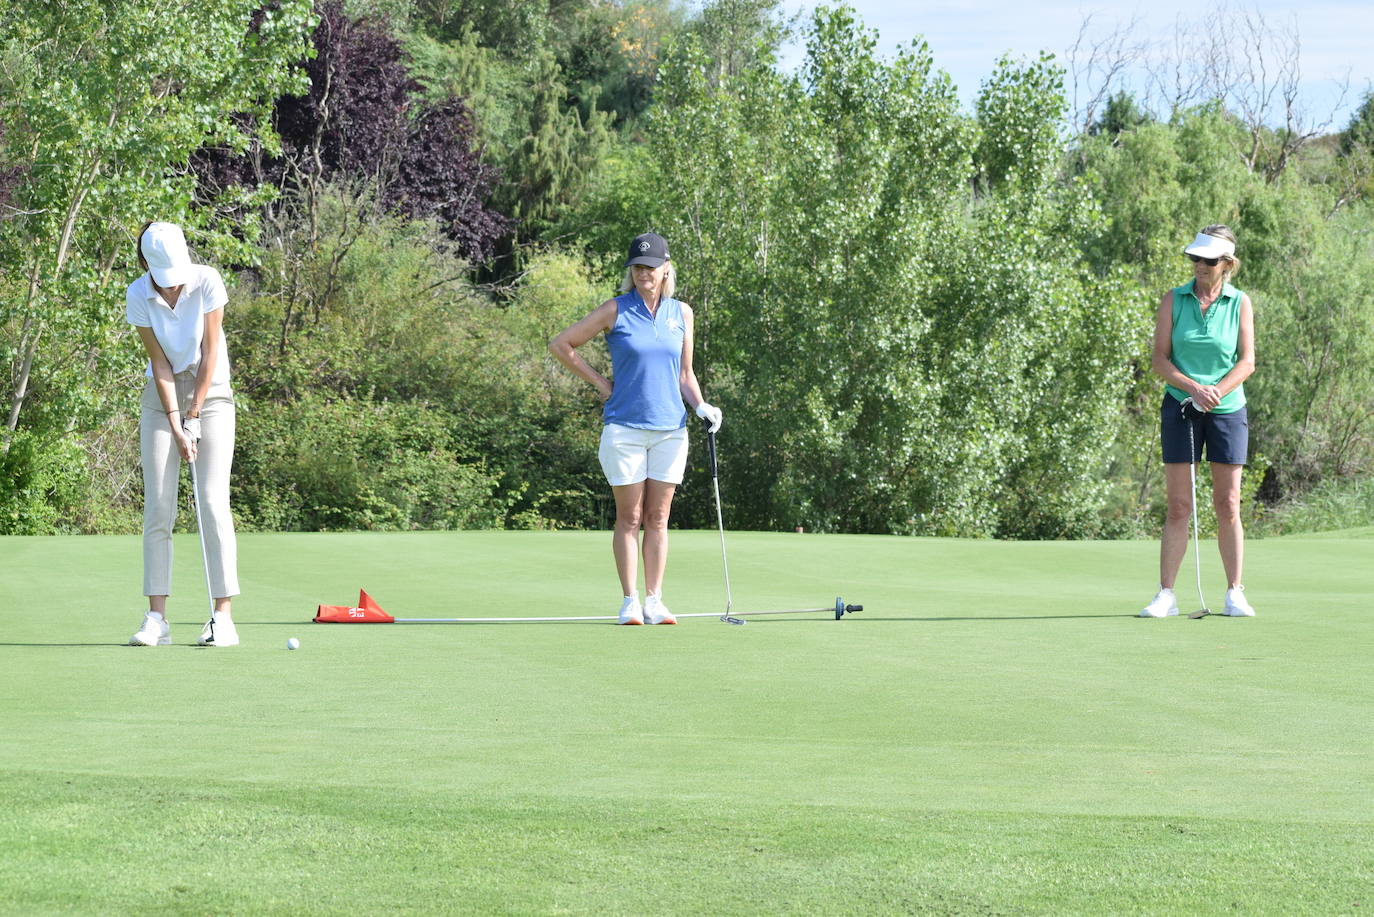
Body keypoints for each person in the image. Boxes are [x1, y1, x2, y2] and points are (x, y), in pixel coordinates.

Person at [549, 232, 722, 625]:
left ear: (665, 269)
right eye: (637, 267)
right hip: (625, 427)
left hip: (670, 430)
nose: (643, 273)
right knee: (629, 517)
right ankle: (630, 600)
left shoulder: (682, 313)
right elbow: (562, 345)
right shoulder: (615, 310)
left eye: (650, 267)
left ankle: (655, 600)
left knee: (658, 518)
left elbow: (685, 374)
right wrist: (601, 384)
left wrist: (701, 405)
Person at [126, 222, 241, 646]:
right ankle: (157, 619)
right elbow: (159, 363)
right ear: (148, 265)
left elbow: (211, 351)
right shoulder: (138, 294)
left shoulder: (207, 280)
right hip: (162, 399)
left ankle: (222, 617)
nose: (173, 285)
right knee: (158, 508)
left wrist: (194, 415)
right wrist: (176, 422)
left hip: (212, 396)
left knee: (212, 502)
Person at [1141, 224, 1256, 618]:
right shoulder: (1174, 300)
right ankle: (1166, 595)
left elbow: (1247, 361)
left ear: (1227, 263)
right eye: (1195, 258)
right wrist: (1192, 388)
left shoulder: (1240, 302)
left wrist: (1216, 391)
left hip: (1227, 410)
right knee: (1177, 506)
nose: (1199, 266)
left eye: (1208, 260)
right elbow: (1160, 359)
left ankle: (1234, 593)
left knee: (1228, 504)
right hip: (1181, 408)